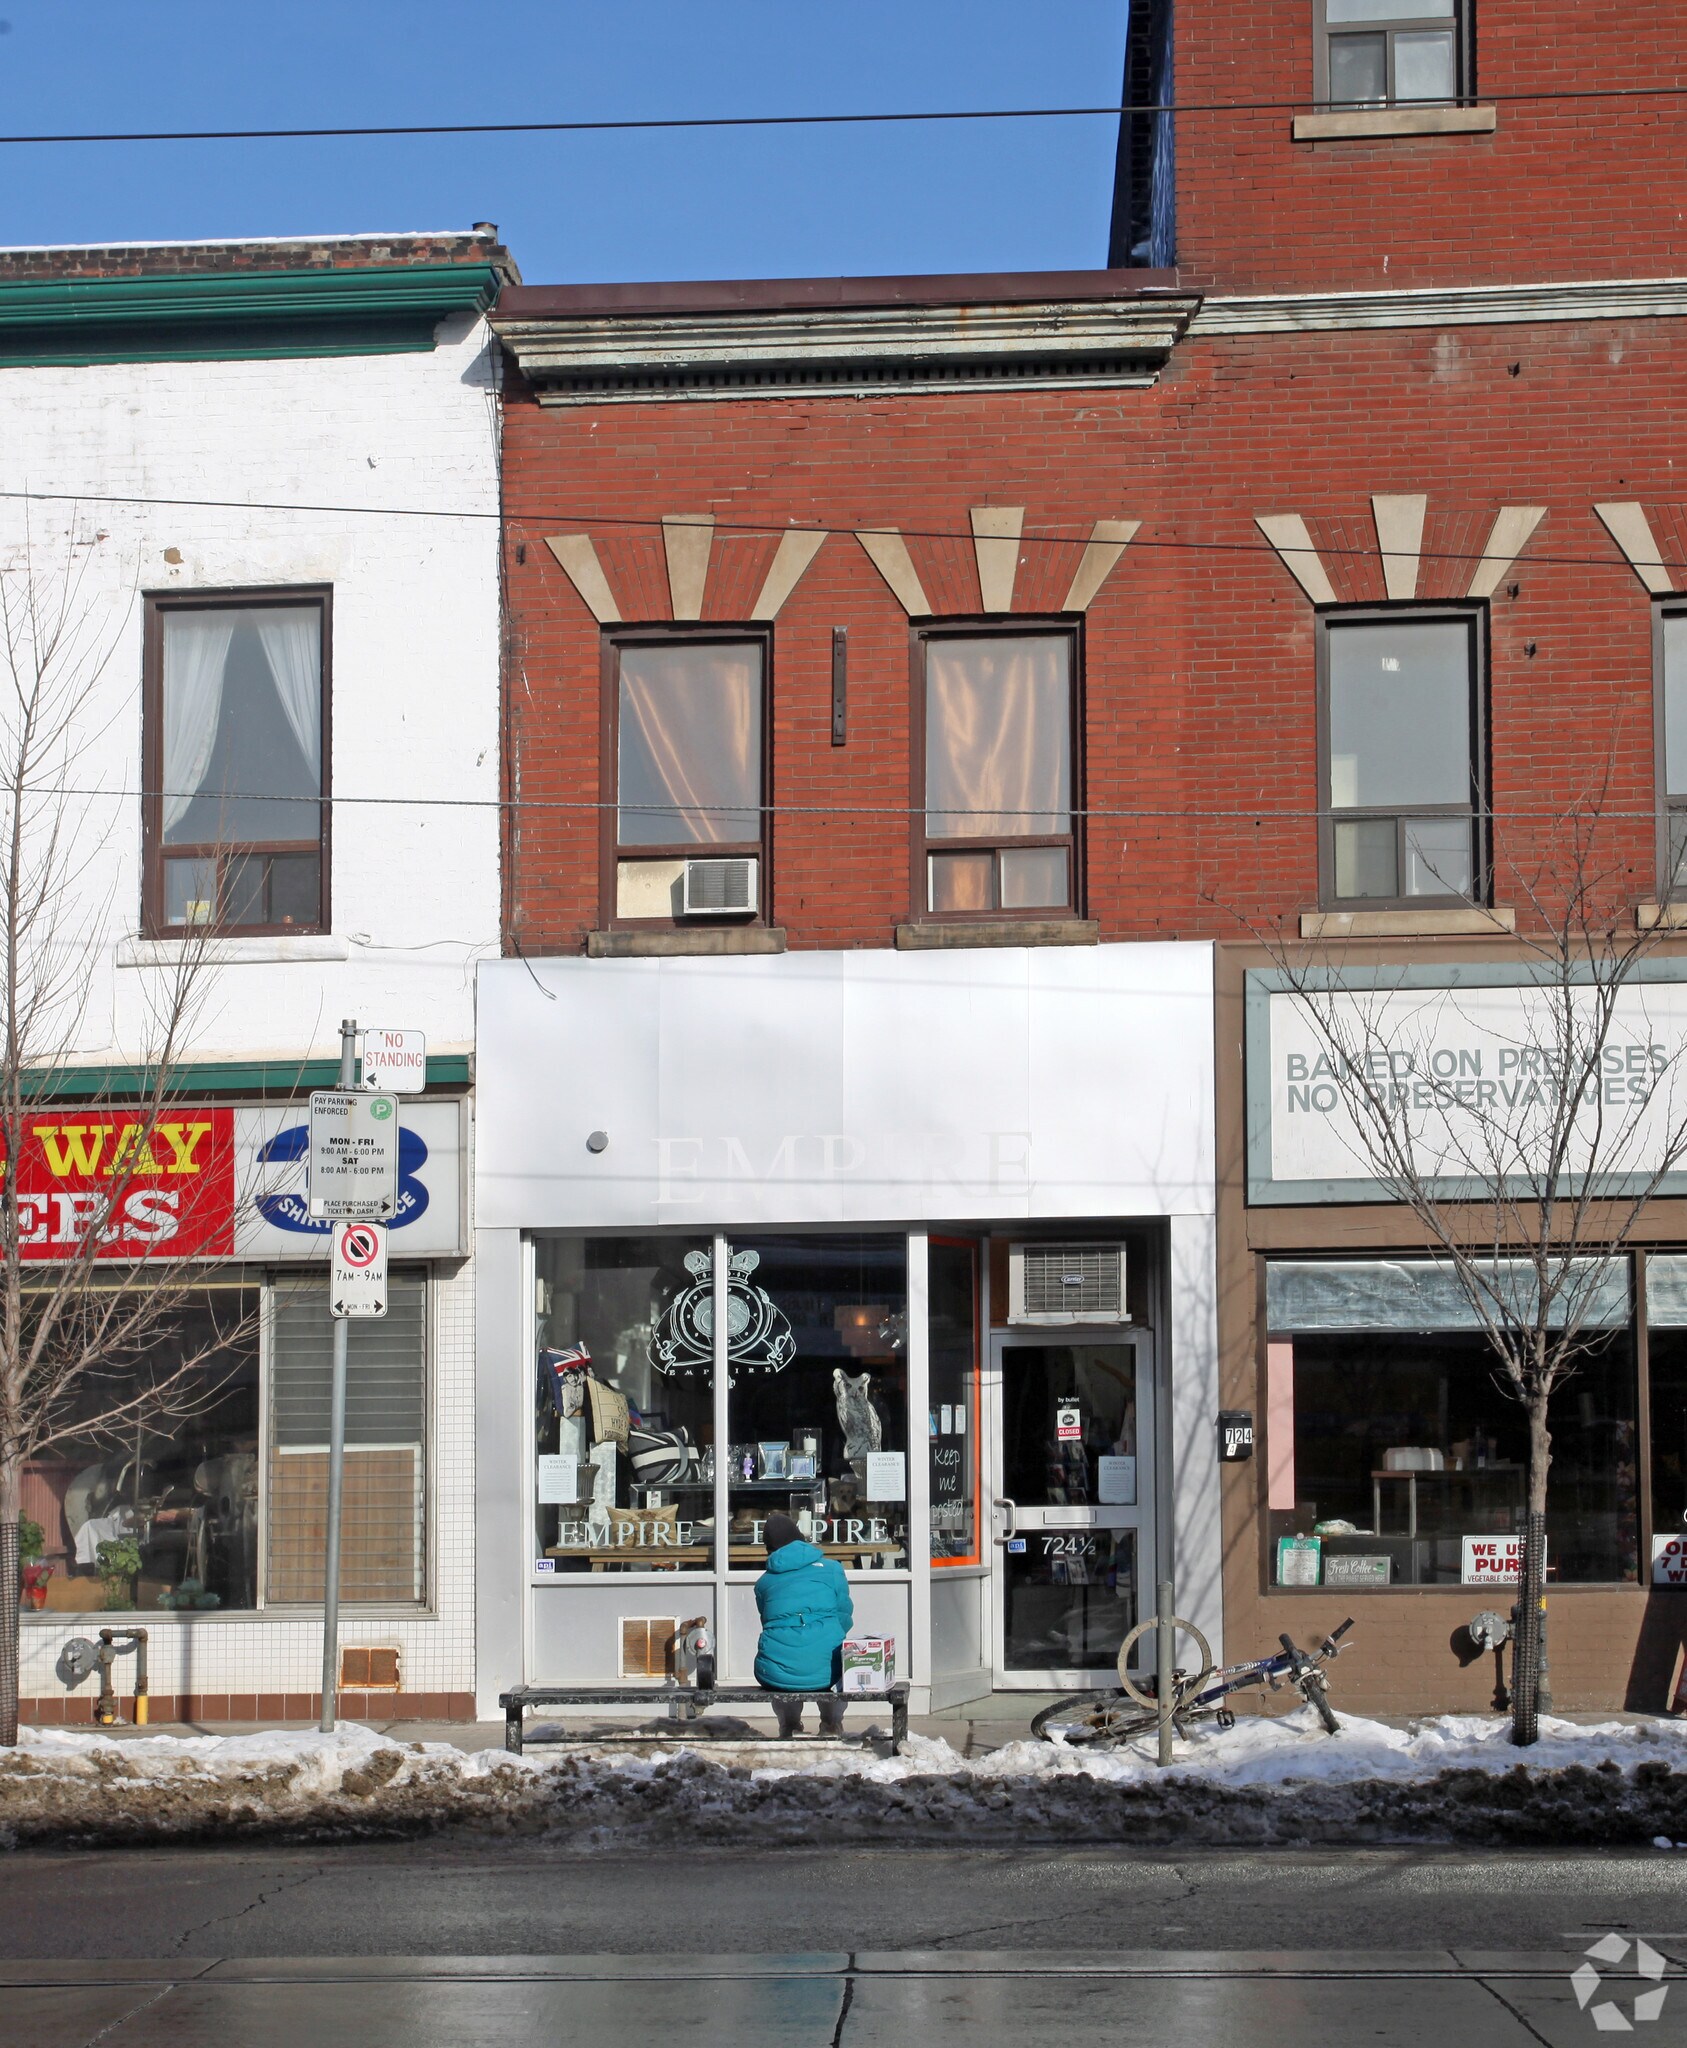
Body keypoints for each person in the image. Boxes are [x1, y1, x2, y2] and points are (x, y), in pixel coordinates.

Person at [753, 1511, 853, 1736]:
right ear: (801, 1539)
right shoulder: (833, 1569)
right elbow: (844, 1616)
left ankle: (789, 1726)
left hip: (778, 1675)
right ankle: (831, 1723)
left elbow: (767, 1621)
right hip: (828, 1672)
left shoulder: (764, 1583)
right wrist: (827, 1636)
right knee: (837, 1657)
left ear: (769, 1548)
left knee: (782, 1660)